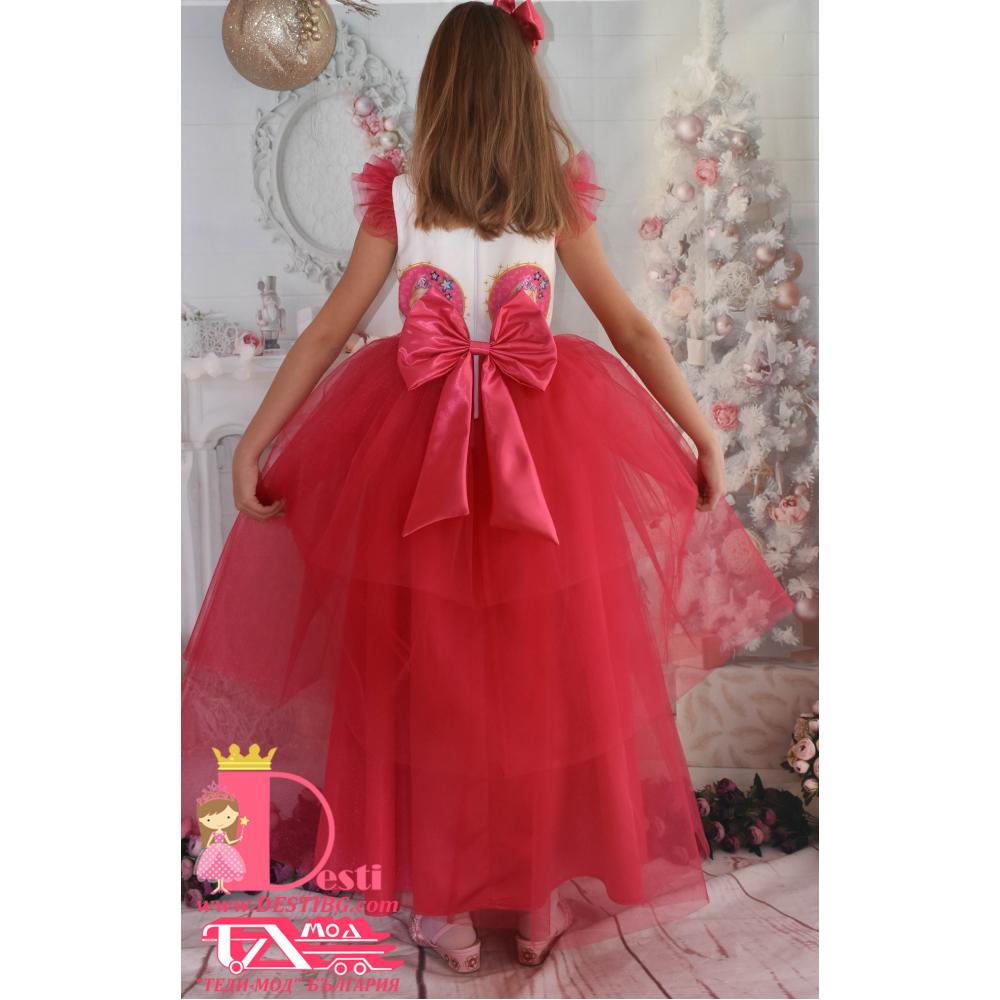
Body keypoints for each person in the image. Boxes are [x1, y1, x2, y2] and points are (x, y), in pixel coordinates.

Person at [181, 0, 795, 973]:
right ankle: (537, 898)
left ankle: (445, 909)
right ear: (522, 89)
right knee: (539, 688)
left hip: (417, 469)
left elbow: (332, 330)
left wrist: (257, 440)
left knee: (430, 689)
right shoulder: (552, 196)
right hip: (538, 474)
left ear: (438, 92)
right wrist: (698, 428)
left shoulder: (403, 195)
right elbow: (631, 327)